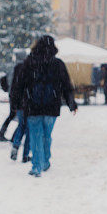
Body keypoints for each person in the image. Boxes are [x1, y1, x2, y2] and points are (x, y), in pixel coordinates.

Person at [13, 35, 77, 177]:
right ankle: (45, 161)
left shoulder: (29, 63)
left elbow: (19, 85)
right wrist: (71, 103)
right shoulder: (58, 64)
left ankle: (37, 166)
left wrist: (16, 103)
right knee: (46, 135)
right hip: (51, 106)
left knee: (36, 136)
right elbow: (66, 85)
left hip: (32, 105)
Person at [8, 56, 31, 162]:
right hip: (31, 104)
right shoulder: (33, 69)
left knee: (21, 126)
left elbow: (14, 88)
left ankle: (15, 146)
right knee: (29, 129)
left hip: (20, 103)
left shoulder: (19, 69)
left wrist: (14, 104)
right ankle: (25, 154)